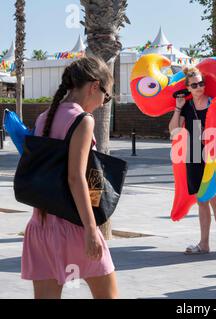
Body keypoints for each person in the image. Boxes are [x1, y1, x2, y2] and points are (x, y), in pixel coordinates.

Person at [21, 57, 119, 298]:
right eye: (105, 97)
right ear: (94, 86)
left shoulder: (46, 116)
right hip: (74, 227)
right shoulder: (83, 120)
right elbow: (75, 178)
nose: (102, 103)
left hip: (41, 226)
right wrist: (91, 229)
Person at [168, 66, 216, 255]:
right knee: (202, 200)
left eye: (201, 83)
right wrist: (178, 108)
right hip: (193, 156)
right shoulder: (187, 107)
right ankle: (204, 243)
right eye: (195, 85)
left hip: (214, 156)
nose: (199, 87)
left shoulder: (214, 103)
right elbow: (174, 130)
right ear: (189, 88)